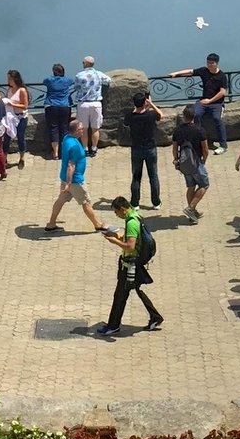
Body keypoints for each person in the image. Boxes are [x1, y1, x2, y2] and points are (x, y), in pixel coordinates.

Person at [95, 197, 165, 336]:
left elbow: (130, 245)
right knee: (133, 290)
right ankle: (155, 317)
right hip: (135, 262)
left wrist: (114, 241)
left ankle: (113, 326)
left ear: (122, 209)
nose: (116, 215)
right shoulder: (136, 216)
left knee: (120, 295)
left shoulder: (132, 222)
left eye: (116, 212)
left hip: (130, 264)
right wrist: (116, 235)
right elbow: (132, 239)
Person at [45, 122, 104, 233]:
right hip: (75, 181)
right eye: (81, 129)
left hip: (64, 177)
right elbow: (71, 166)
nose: (83, 130)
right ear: (76, 131)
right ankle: (98, 224)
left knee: (61, 200)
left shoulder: (67, 138)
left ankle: (51, 223)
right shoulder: (75, 146)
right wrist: (69, 183)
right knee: (86, 202)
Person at [167, 53, 231, 152]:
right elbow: (190, 71)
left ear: (217, 63)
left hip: (216, 103)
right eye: (208, 62)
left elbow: (222, 92)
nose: (209, 65)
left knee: (217, 119)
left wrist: (210, 101)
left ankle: (223, 145)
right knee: (196, 115)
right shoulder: (204, 71)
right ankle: (199, 141)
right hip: (203, 101)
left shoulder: (222, 76)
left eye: (211, 63)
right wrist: (176, 73)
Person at [123, 86, 162, 207]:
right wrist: (151, 103)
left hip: (136, 149)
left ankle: (135, 203)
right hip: (150, 148)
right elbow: (161, 114)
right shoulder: (150, 116)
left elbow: (126, 121)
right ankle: (156, 202)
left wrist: (144, 106)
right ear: (145, 101)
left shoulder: (130, 116)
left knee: (136, 176)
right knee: (153, 175)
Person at [172, 105, 211, 219]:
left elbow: (175, 147)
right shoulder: (199, 130)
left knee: (191, 186)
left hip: (184, 163)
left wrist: (176, 160)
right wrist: (204, 160)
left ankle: (192, 214)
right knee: (204, 185)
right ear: (195, 116)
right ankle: (191, 208)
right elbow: (205, 148)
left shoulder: (178, 130)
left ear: (184, 116)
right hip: (196, 162)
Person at [40, 63, 73, 157]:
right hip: (65, 106)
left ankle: (55, 152)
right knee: (65, 129)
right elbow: (72, 82)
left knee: (53, 128)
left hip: (51, 106)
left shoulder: (49, 80)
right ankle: (65, 152)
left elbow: (44, 81)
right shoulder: (67, 80)